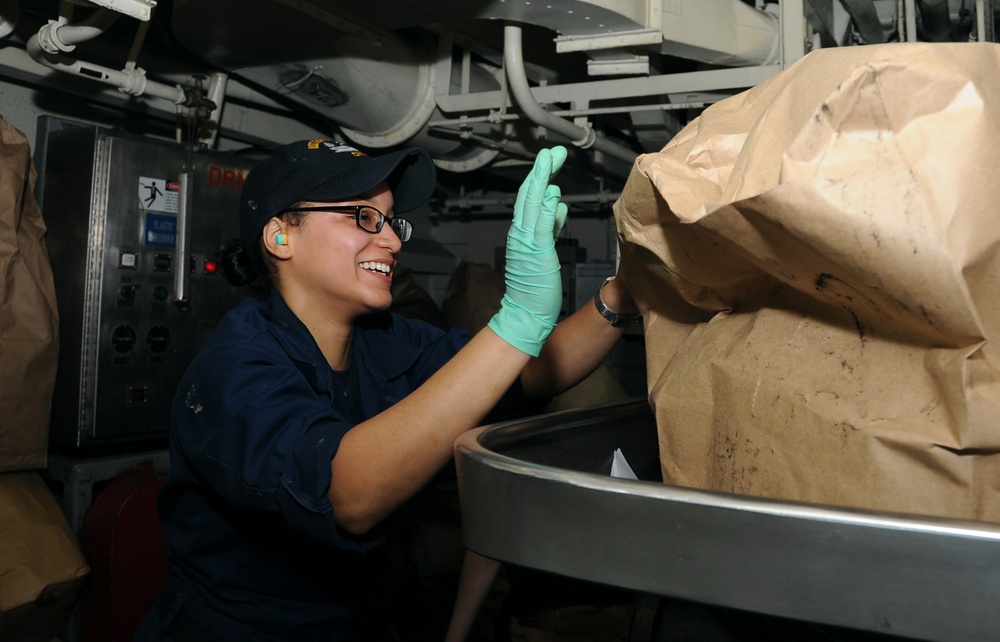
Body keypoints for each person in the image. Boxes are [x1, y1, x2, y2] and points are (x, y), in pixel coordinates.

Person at [134, 138, 638, 641]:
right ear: (281, 237)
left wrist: (628, 287)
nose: (394, 242)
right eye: (361, 216)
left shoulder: (385, 339)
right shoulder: (234, 369)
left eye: (391, 220)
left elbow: (528, 374)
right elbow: (349, 494)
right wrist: (518, 320)